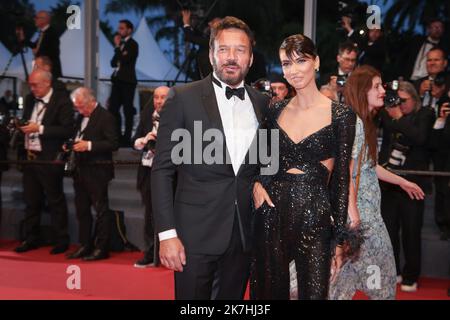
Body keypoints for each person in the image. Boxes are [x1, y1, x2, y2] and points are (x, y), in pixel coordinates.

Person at [151, 16, 269, 300]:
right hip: (194, 235)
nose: (231, 57)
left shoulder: (263, 103)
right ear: (211, 53)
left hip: (243, 236)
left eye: (240, 50)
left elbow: (266, 163)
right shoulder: (183, 97)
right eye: (224, 49)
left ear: (250, 58)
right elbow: (162, 171)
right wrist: (167, 235)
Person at [251, 34, 359, 300]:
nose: (294, 70)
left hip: (315, 215)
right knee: (268, 291)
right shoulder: (274, 110)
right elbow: (260, 160)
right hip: (270, 212)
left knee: (313, 293)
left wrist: (338, 239)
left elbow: (341, 179)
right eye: (287, 63)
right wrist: (255, 184)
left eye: (301, 61)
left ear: (317, 62)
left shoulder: (341, 115)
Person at [329, 65, 425, 300]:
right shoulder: (356, 124)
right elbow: (346, 175)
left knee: (340, 284)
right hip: (362, 219)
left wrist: (402, 182)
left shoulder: (359, 122)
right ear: (362, 92)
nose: (383, 90)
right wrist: (355, 220)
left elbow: (369, 167)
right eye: (376, 86)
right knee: (383, 281)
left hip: (362, 216)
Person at [378, 81, 435, 292]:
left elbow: (420, 138)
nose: (399, 104)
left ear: (414, 99)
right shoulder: (388, 115)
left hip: (414, 184)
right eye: (396, 100)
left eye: (403, 101)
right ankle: (394, 272)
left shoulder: (425, 114)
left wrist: (399, 117)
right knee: (390, 231)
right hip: (389, 183)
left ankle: (411, 275)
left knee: (411, 232)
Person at [14, 69, 74, 254]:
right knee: (31, 200)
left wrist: (39, 128)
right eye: (30, 85)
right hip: (30, 157)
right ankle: (30, 238)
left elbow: (67, 130)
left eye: (35, 85)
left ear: (47, 83)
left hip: (49, 158)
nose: (32, 89)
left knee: (55, 200)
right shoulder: (31, 99)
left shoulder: (62, 101)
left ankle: (61, 239)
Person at [66, 88, 119, 261]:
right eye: (77, 108)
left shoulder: (106, 117)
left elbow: (113, 143)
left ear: (91, 100)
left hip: (98, 171)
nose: (80, 111)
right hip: (80, 170)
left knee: (101, 211)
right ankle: (84, 244)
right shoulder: (80, 116)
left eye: (81, 106)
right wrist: (69, 145)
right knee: (82, 210)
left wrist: (88, 145)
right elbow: (77, 135)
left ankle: (101, 248)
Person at [132, 86, 170, 268]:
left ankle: (171, 253)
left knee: (171, 214)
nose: (159, 101)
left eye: (163, 97)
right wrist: (143, 141)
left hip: (171, 173)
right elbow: (135, 140)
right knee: (149, 214)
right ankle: (149, 252)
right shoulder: (147, 115)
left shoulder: (178, 115)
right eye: (156, 97)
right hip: (147, 170)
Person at [108, 20, 139, 147]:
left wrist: (117, 48)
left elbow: (125, 60)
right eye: (119, 28)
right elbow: (113, 63)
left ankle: (127, 138)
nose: (119, 30)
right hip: (117, 81)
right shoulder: (120, 45)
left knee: (128, 110)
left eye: (122, 28)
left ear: (129, 30)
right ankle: (117, 135)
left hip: (128, 81)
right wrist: (118, 48)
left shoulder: (133, 44)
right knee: (113, 109)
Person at [16, 11, 62, 79]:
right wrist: (23, 38)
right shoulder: (43, 32)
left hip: (49, 72)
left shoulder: (51, 33)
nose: (34, 19)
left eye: (36, 18)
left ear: (44, 19)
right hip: (43, 70)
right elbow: (35, 45)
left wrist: (38, 52)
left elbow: (54, 52)